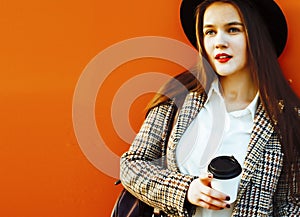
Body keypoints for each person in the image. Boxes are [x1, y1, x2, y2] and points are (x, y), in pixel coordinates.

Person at [120, 0, 300, 216]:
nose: (219, 42)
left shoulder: (287, 119)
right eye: (210, 32)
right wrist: (186, 189)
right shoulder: (179, 95)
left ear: (256, 36)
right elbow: (132, 165)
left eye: (233, 30)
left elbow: (291, 205)